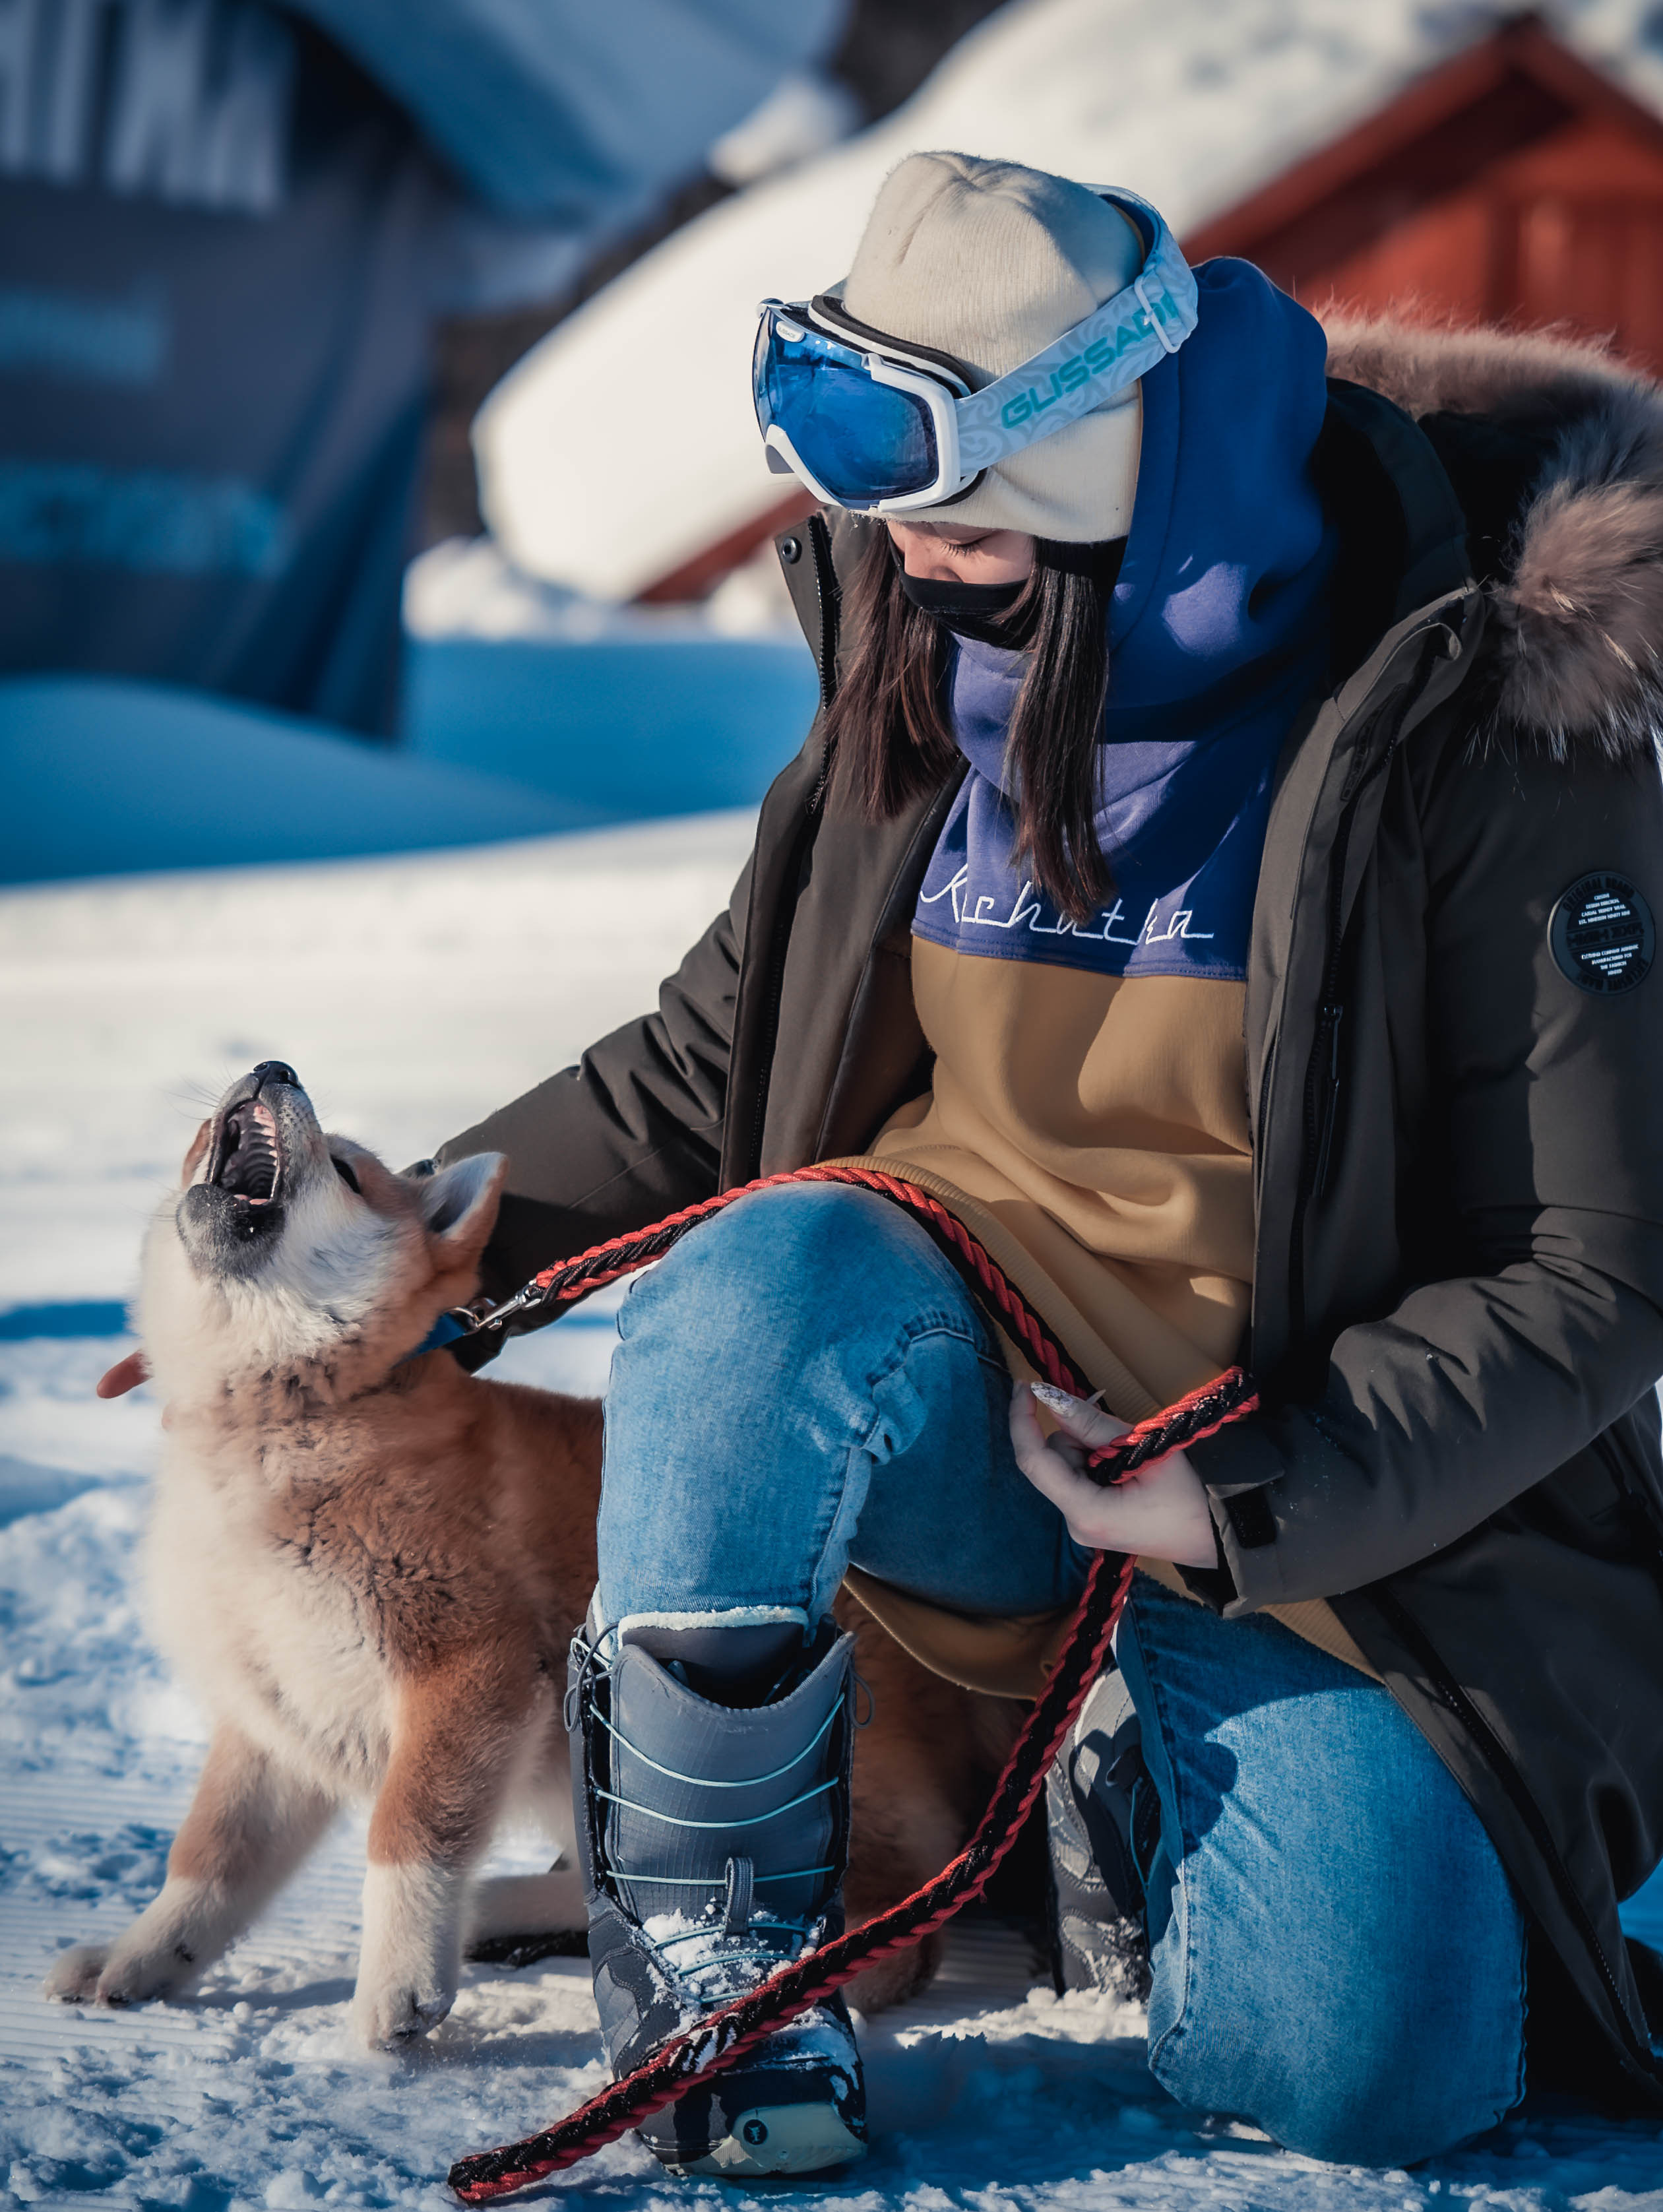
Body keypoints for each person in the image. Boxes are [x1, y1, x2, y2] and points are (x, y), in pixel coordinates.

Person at [436, 152, 1663, 2174]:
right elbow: (712, 1057)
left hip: (1300, 1509)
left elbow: (1592, 1264)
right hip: (957, 1429)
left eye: (940, 485)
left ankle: (1113, 1775)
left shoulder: (1472, 713)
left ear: (1106, 457)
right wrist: (392, 1247)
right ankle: (729, 1967)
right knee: (766, 1273)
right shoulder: (922, 645)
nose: (894, 539)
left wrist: (1241, 1496)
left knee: (1371, 2075)